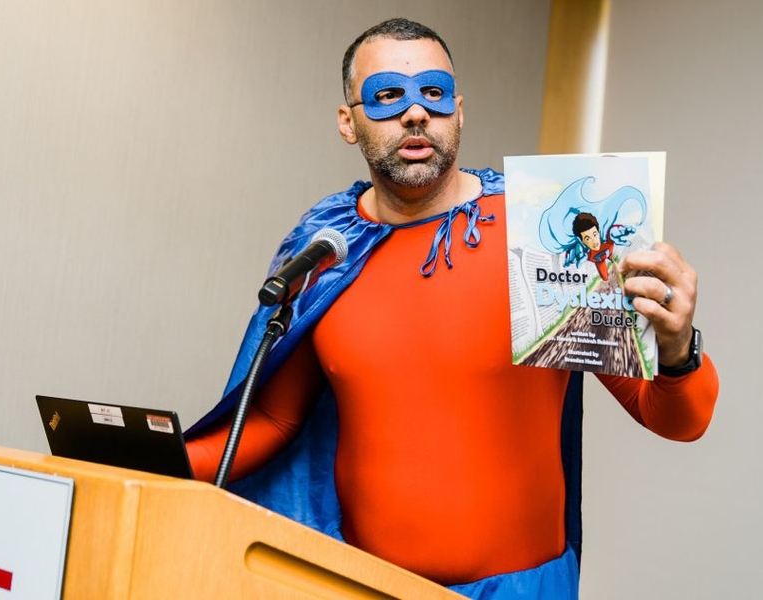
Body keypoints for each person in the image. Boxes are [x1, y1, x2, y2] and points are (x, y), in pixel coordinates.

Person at [185, 17, 718, 599]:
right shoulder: (326, 249)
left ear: (458, 111)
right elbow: (272, 420)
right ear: (348, 121)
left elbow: (677, 421)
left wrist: (677, 349)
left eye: (433, 94)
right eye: (388, 95)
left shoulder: (540, 234)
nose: (416, 114)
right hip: (361, 584)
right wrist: (150, 456)